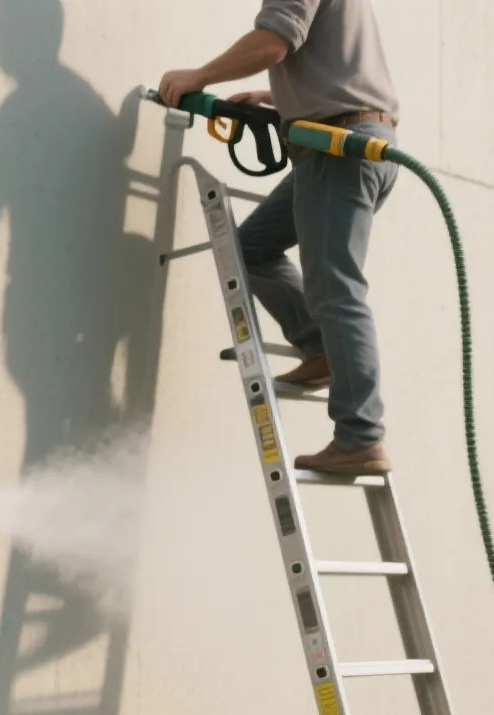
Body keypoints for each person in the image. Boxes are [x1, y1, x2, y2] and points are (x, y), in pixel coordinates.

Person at [158, 0, 400, 475]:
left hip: (337, 148)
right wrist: (278, 98)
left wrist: (199, 76)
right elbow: (333, 61)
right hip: (352, 139)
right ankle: (322, 349)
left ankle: (361, 435)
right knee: (250, 249)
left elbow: (272, 42)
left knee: (336, 288)